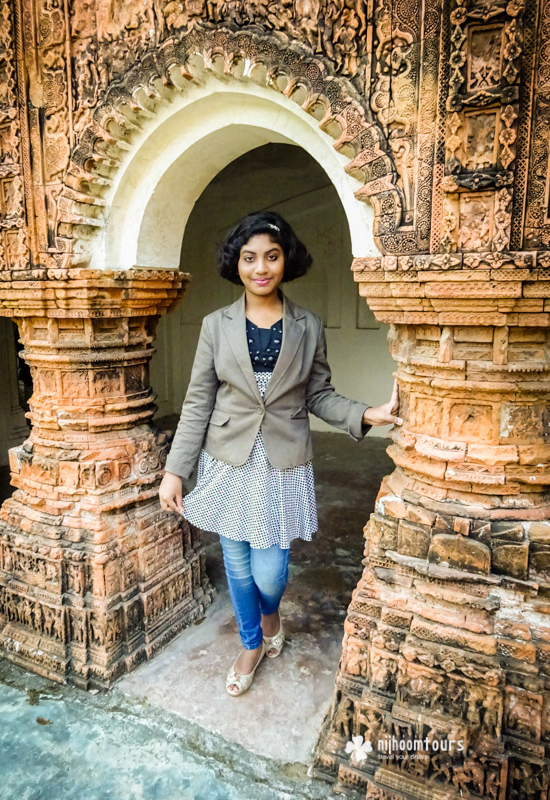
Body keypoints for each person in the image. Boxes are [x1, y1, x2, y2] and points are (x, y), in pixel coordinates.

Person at [158, 210, 402, 697]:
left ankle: (270, 615)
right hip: (226, 458)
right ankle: (251, 643)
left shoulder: (308, 326)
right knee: (236, 560)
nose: (261, 267)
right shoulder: (215, 325)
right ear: (237, 264)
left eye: (271, 256)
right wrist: (175, 471)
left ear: (286, 260)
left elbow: (319, 395)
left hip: (283, 460)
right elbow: (198, 401)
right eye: (249, 258)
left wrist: (366, 414)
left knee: (270, 569)